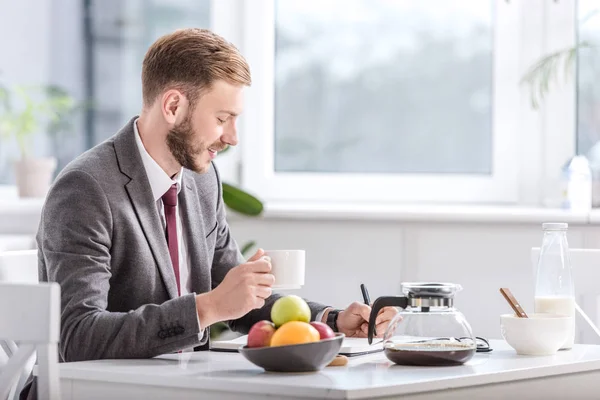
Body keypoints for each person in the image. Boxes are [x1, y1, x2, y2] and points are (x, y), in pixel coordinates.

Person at [23, 28, 397, 398]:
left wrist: (328, 320)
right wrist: (208, 307)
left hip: (178, 388)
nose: (232, 137)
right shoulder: (85, 189)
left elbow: (239, 297)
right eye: (222, 118)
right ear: (173, 106)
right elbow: (78, 337)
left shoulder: (201, 181)